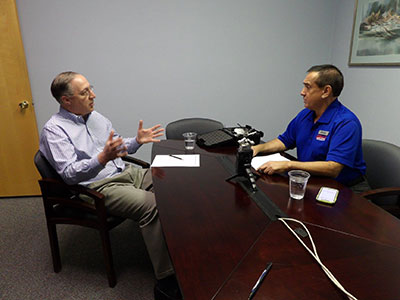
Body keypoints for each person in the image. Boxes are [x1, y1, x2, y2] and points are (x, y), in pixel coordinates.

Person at [40, 71, 181, 300]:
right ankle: (168, 278)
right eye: (85, 92)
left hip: (126, 172)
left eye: (90, 88)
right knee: (152, 206)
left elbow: (114, 146)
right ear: (66, 100)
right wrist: (101, 159)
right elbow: (68, 174)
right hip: (98, 187)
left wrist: (135, 141)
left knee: (172, 182)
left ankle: (180, 248)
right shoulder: (54, 130)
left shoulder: (94, 116)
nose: (93, 95)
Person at [252, 64, 369, 193]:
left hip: (346, 189)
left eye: (308, 87)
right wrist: (257, 148)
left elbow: (333, 168)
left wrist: (288, 165)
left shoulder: (346, 123)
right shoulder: (306, 114)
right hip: (313, 181)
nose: (302, 92)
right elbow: (285, 140)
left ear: (326, 91)